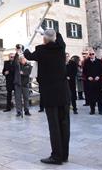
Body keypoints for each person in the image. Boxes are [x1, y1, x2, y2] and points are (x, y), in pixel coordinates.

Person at [24, 28, 70, 165]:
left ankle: (56, 156)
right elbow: (59, 36)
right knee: (64, 124)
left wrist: (25, 48)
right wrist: (44, 31)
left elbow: (28, 55)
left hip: (50, 94)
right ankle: (64, 155)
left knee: (54, 126)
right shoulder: (61, 47)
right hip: (63, 93)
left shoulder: (41, 50)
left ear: (44, 39)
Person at [83, 50, 102, 115]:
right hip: (90, 82)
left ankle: (100, 110)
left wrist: (99, 76)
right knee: (91, 97)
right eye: (90, 54)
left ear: (95, 54)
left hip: (98, 82)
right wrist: (88, 77)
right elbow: (84, 71)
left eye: (93, 54)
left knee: (99, 97)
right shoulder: (86, 62)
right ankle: (92, 110)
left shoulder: (99, 62)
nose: (91, 55)